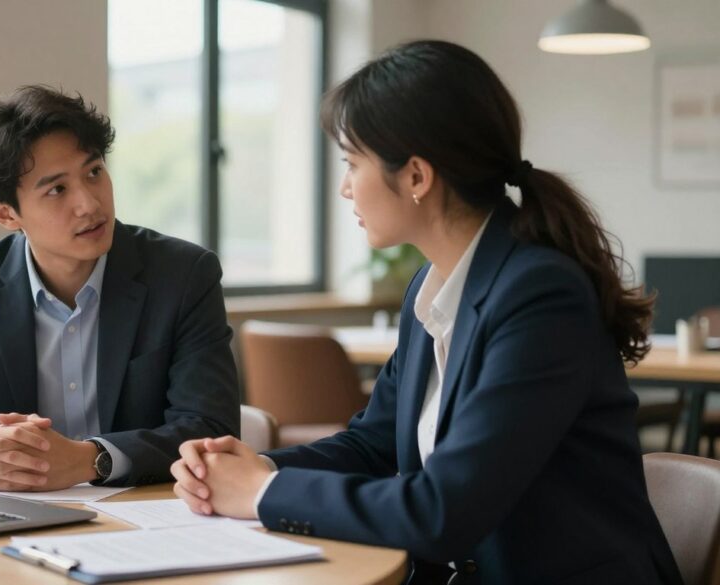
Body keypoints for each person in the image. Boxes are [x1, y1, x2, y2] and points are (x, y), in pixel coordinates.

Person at [171, 41, 682, 584]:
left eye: (351, 163)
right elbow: (373, 441)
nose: (345, 188)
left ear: (416, 176)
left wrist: (261, 493)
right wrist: (252, 468)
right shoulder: (435, 284)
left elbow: (444, 511)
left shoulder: (541, 295)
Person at [0, 85, 239, 492]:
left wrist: (92, 459)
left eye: (94, 172)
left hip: (143, 512)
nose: (90, 204)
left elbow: (209, 426)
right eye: (57, 189)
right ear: (6, 213)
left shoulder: (182, 275)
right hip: (14, 518)